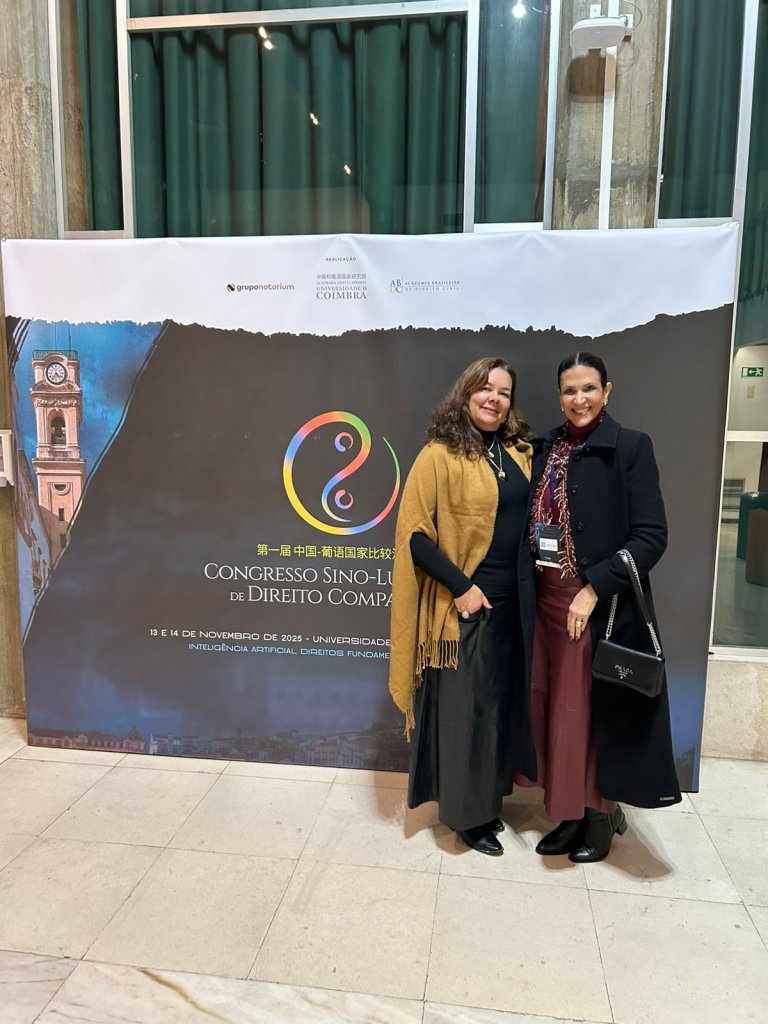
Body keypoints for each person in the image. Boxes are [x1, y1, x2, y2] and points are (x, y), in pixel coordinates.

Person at [518, 351, 681, 863]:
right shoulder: (543, 448)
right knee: (553, 713)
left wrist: (592, 589)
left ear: (607, 391)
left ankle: (599, 816)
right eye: (570, 390)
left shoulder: (631, 447)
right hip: (544, 603)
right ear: (559, 396)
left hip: (596, 609)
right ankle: (568, 813)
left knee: (585, 716)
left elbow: (651, 536)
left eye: (589, 388)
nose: (579, 399)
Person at [389, 356, 537, 856]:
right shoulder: (439, 454)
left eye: (504, 392)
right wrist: (461, 586)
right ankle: (465, 818)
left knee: (495, 711)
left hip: (515, 606)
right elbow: (414, 536)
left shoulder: (517, 454)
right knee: (465, 715)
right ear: (466, 393)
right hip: (467, 609)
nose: (494, 398)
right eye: (485, 388)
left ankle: (487, 803)